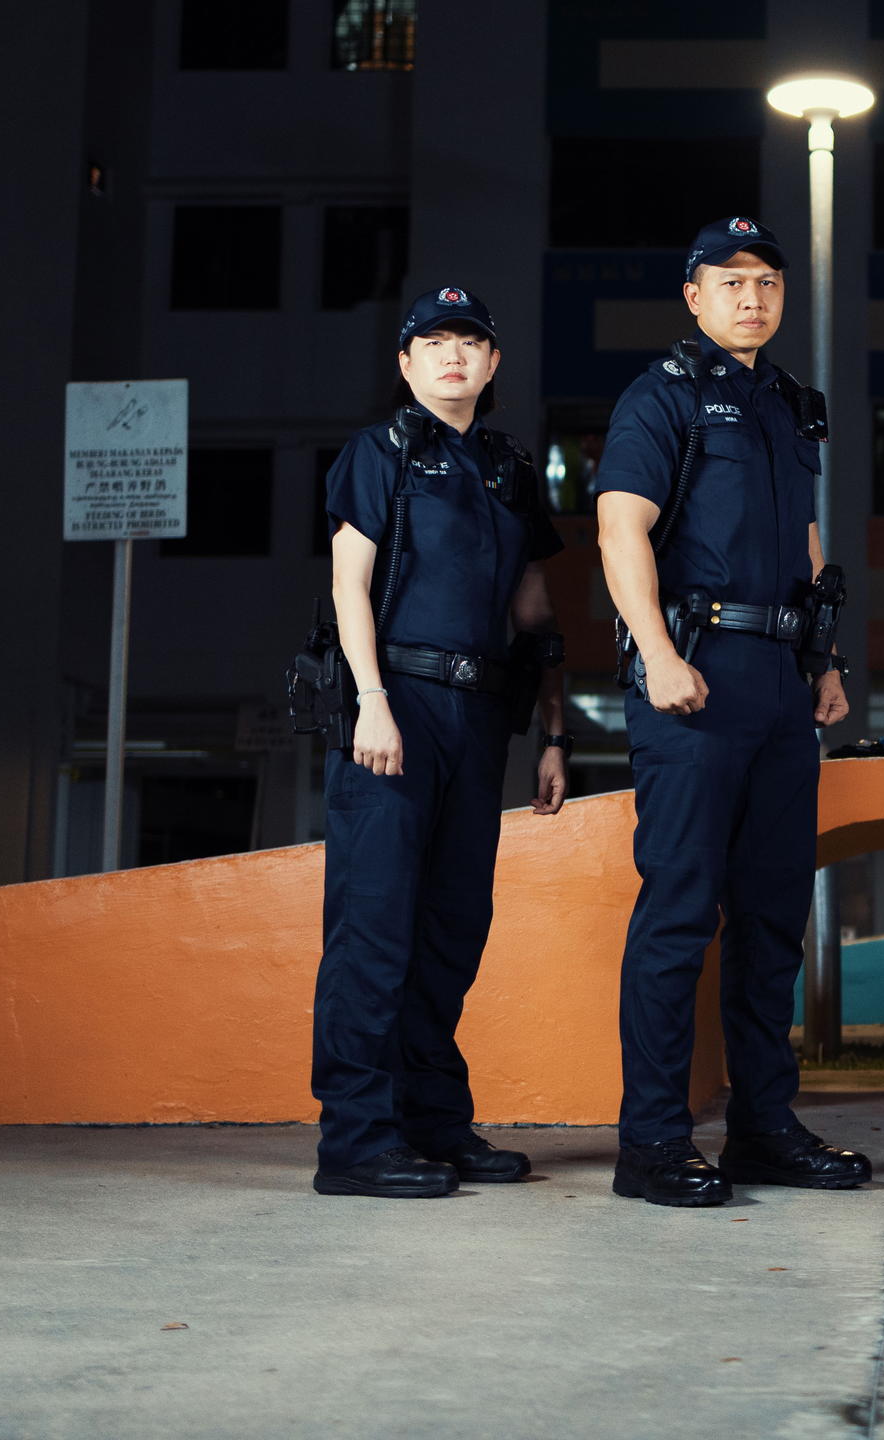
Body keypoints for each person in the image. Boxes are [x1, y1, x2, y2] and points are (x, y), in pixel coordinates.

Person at [595, 217, 867, 1208]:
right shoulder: (658, 395)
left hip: (778, 682)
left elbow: (800, 541)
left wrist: (822, 659)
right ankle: (653, 1142)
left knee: (769, 916)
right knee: (677, 912)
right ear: (693, 294)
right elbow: (619, 525)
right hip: (693, 675)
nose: (751, 296)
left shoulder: (787, 405)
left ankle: (760, 1127)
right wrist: (657, 652)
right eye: (729, 280)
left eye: (765, 281)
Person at [311, 285, 570, 1198]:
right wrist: (371, 700)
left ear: (493, 364)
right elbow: (352, 586)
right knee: (374, 931)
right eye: (434, 342)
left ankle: (433, 1124)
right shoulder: (375, 455)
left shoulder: (508, 468)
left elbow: (534, 611)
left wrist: (551, 733)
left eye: (471, 342)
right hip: (398, 710)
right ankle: (355, 1142)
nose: (453, 355)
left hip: (479, 716)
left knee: (454, 928)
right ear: (407, 362)